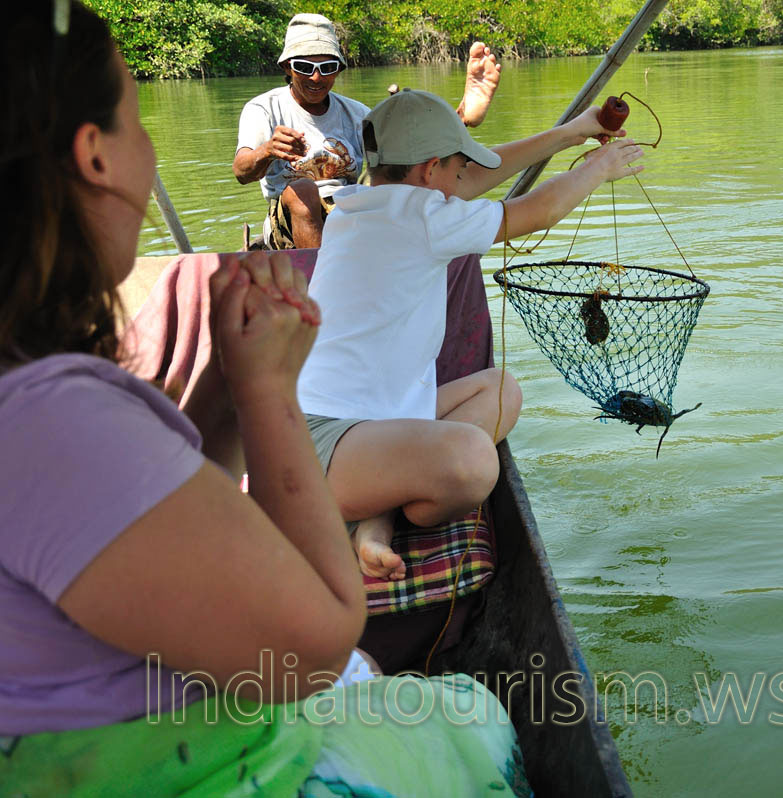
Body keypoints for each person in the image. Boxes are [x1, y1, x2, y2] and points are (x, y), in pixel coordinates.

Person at [0, 4, 527, 795]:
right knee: (470, 717)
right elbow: (319, 641)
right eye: (140, 125)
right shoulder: (53, 420)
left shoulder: (45, 385)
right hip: (199, 767)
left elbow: (167, 510)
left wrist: (220, 394)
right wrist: (266, 392)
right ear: (94, 157)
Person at [296, 88, 644, 580]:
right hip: (320, 445)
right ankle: (376, 515)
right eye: (458, 169)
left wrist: (571, 134)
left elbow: (478, 176)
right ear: (430, 170)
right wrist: (598, 168)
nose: (467, 179)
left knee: (501, 389)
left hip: (372, 426)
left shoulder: (359, 204)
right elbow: (538, 211)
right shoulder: (422, 217)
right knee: (476, 462)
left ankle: (375, 514)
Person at [233, 13, 502, 250]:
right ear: (288, 67)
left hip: (351, 210)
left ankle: (461, 118)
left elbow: (405, 157)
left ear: (338, 70)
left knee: (399, 178)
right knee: (302, 190)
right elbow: (241, 172)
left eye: (327, 68)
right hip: (292, 218)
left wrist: (459, 120)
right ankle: (320, 278)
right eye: (305, 68)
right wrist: (267, 151)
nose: (316, 78)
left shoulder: (357, 113)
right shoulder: (264, 109)